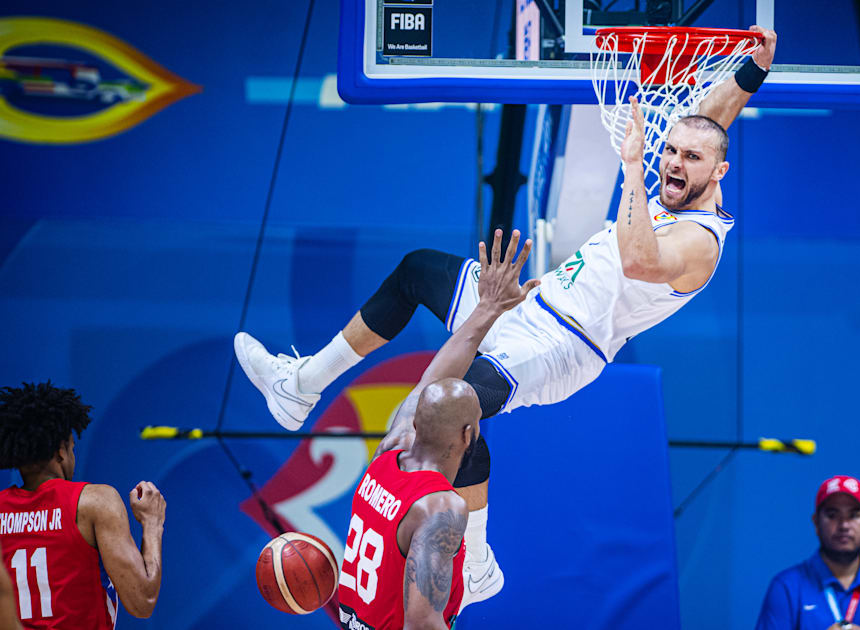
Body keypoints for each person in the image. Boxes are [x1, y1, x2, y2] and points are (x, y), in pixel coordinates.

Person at [234, 26, 779, 607]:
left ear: (718, 174)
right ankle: (302, 386)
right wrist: (753, 71)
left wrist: (633, 167)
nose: (673, 163)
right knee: (419, 271)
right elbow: (708, 127)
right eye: (669, 150)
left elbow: (640, 260)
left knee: (448, 409)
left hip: (563, 346)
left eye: (688, 159)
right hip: (532, 304)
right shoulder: (687, 166)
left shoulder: (700, 239)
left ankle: (478, 561)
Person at [337, 230, 534, 629]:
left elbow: (433, 377)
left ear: (416, 421)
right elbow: (422, 623)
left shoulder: (388, 453)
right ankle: (477, 570)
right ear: (468, 436)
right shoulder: (440, 509)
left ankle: (477, 570)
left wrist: (489, 307)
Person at [0, 381, 166, 628]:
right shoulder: (94, 502)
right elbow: (143, 601)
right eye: (72, 448)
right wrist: (152, 524)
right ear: (60, 451)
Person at [756, 475, 860, 630]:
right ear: (816, 523)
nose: (844, 525)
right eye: (832, 515)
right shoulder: (786, 586)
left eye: (854, 515)